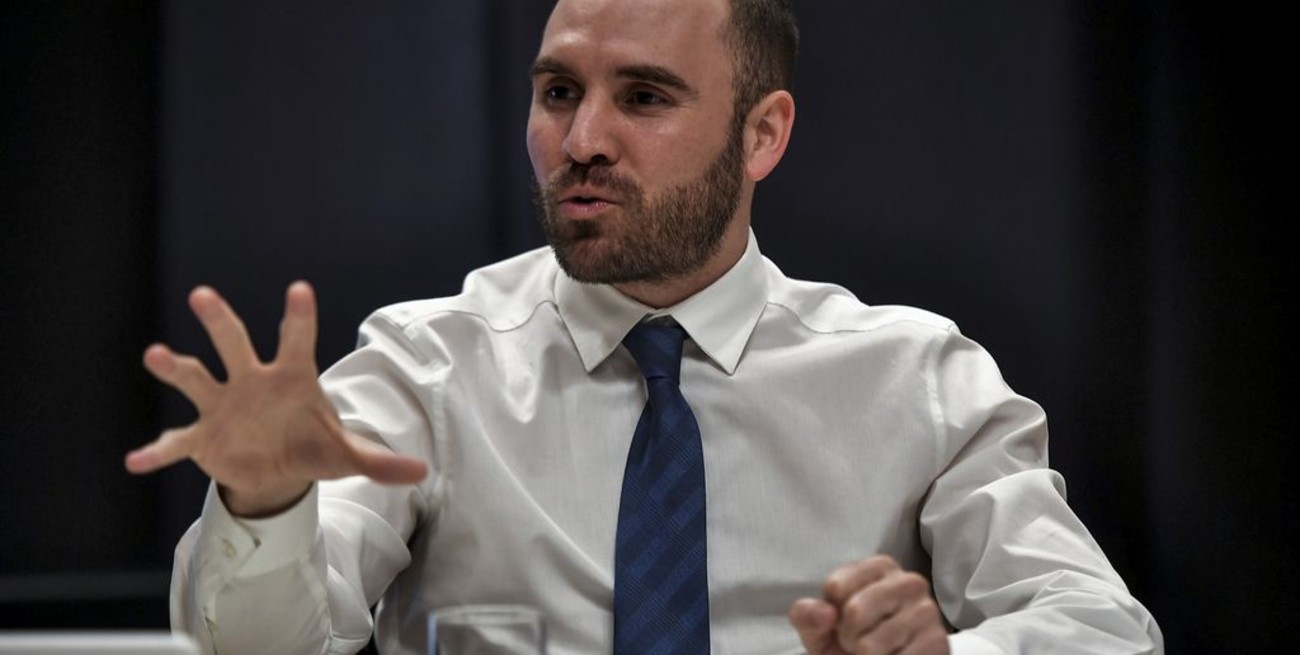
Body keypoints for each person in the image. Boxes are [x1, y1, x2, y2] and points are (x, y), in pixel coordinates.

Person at [126, 0, 1163, 653]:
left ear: (762, 134)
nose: (582, 139)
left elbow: (1104, 630)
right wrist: (265, 505)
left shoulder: (919, 379)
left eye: (644, 97)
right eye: (558, 92)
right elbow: (257, 648)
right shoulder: (427, 364)